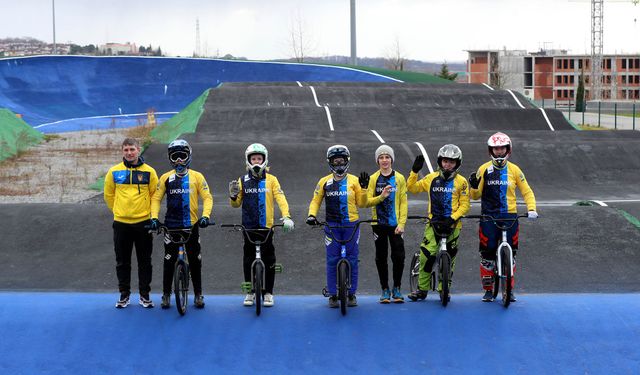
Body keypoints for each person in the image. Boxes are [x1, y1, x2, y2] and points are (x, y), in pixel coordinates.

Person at [468, 132, 538, 302]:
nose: (499, 152)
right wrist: (474, 187)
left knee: (512, 254)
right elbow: (475, 196)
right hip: (488, 217)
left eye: (502, 148)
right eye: (495, 149)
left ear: (508, 150)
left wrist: (532, 208)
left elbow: (527, 191)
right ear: (490, 151)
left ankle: (509, 289)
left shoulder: (515, 170)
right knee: (487, 254)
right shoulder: (483, 169)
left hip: (510, 216)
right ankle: (487, 289)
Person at [229, 143, 294, 308]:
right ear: (248, 160)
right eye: (253, 158)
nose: (256, 161)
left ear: (264, 160)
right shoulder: (242, 180)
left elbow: (280, 198)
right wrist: (233, 196)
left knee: (269, 258)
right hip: (248, 227)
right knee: (248, 258)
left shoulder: (272, 180)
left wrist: (286, 216)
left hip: (267, 227)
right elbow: (236, 205)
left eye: (259, 158)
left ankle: (269, 293)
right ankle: (249, 292)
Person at [150, 139, 213, 309]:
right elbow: (156, 199)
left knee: (195, 260)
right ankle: (166, 295)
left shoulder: (197, 177)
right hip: (171, 227)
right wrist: (154, 218)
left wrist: (205, 216)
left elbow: (207, 198)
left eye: (182, 156)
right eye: (175, 157)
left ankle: (198, 294)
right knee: (168, 260)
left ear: (189, 157)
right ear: (170, 158)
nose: (179, 160)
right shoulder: (165, 178)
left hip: (191, 227)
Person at [306, 145, 370, 308]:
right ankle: (333, 295)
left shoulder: (355, 180)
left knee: (353, 259)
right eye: (336, 161)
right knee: (332, 260)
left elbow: (362, 204)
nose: (339, 163)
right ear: (331, 163)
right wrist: (312, 215)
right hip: (331, 225)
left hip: (351, 225)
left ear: (347, 161)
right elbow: (316, 200)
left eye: (342, 160)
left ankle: (351, 294)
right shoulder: (324, 182)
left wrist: (363, 189)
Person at [406, 145, 469, 302]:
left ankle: (444, 289)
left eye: (451, 162)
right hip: (433, 224)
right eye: (445, 161)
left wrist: (453, 217)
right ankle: (422, 289)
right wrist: (414, 172)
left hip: (453, 225)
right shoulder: (431, 178)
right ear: (440, 161)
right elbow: (411, 188)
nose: (448, 165)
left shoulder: (462, 182)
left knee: (450, 258)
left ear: (457, 163)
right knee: (427, 255)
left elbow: (465, 205)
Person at [104, 137, 158, 309]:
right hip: (121, 224)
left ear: (138, 150)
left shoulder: (150, 172)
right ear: (122, 151)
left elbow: (154, 196)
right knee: (122, 261)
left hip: (143, 223)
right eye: (126, 150)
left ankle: (144, 295)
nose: (129, 153)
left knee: (145, 261)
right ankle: (124, 295)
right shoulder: (114, 171)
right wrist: (120, 212)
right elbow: (109, 195)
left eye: (132, 149)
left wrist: (149, 215)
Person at [365, 145, 408, 303]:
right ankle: (384, 289)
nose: (384, 160)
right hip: (378, 224)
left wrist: (402, 223)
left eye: (387, 157)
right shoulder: (373, 179)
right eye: (381, 157)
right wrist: (381, 197)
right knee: (380, 257)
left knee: (399, 257)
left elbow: (403, 202)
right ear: (377, 160)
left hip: (395, 225)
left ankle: (397, 288)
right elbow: (367, 201)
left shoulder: (399, 178)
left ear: (392, 159)